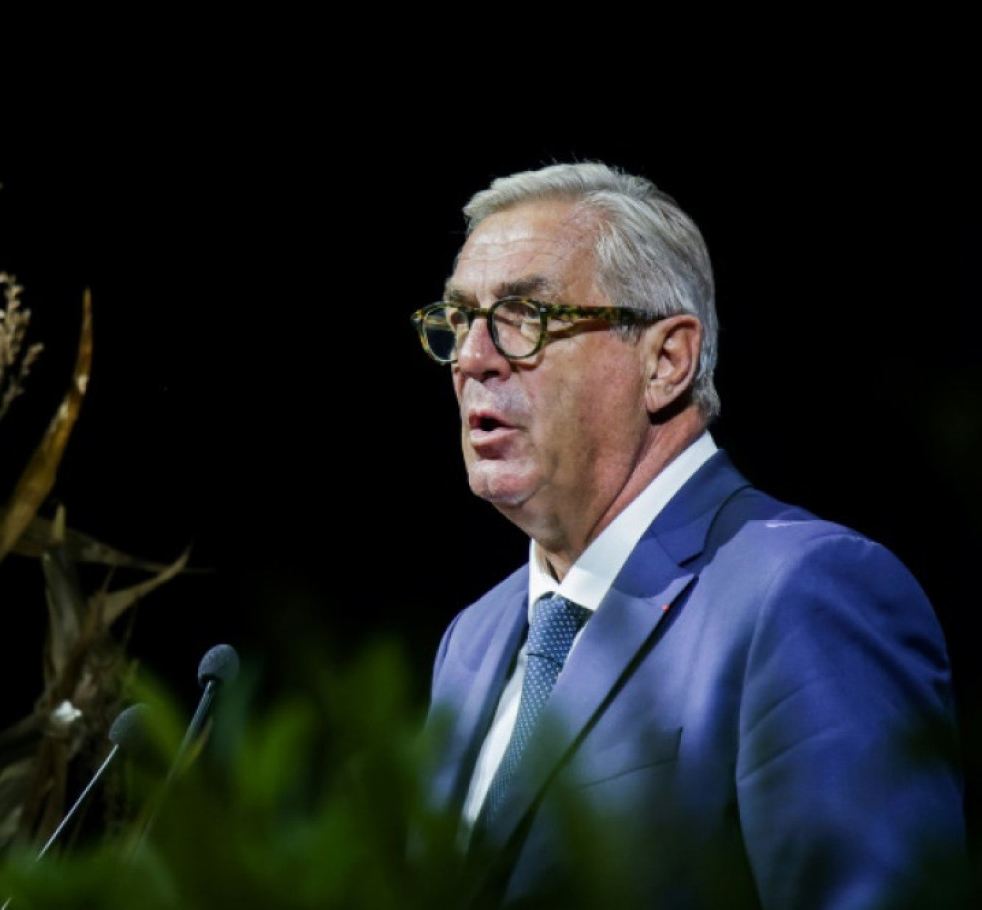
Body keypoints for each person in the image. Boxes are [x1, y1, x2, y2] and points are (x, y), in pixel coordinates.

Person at [416, 161, 971, 909]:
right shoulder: (472, 640)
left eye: (526, 319)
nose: (474, 360)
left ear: (666, 360)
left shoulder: (802, 592)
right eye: (459, 321)